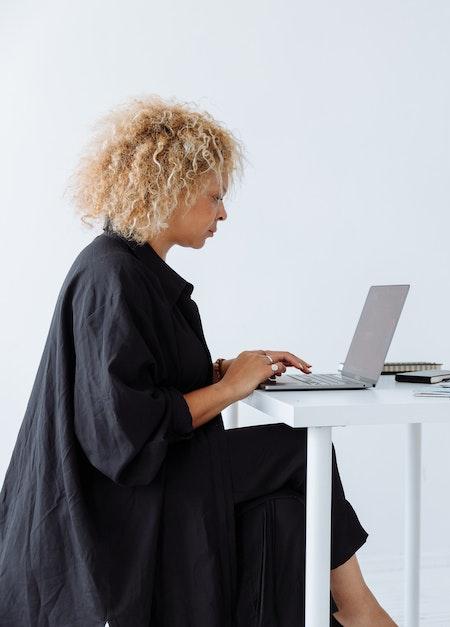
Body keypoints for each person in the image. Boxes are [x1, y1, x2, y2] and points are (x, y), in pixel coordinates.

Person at [0, 95, 395, 626]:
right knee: (299, 448)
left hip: (150, 479)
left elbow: (140, 381)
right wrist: (231, 390)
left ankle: (334, 609)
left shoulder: (131, 269)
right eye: (214, 197)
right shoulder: (113, 277)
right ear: (170, 191)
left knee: (281, 511)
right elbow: (120, 434)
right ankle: (356, 609)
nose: (223, 213)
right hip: (125, 500)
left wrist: (222, 373)